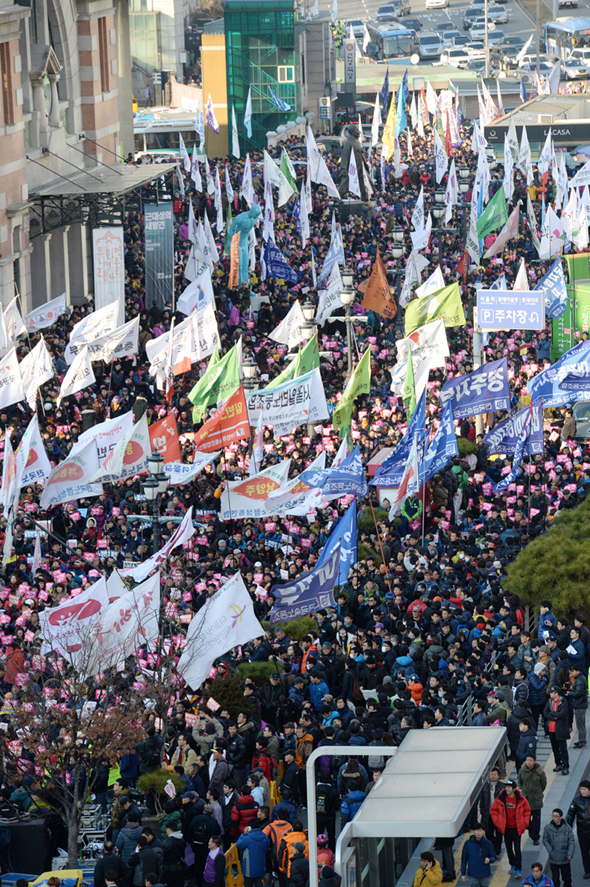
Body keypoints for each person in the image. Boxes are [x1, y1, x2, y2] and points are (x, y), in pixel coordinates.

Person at [490, 779, 531, 879]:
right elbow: (493, 810)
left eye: (509, 787)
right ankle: (512, 864)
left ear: (513, 789)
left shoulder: (521, 799)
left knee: (517, 848)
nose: (507, 789)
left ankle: (518, 868)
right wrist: (496, 822)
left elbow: (527, 811)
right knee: (508, 848)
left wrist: (525, 823)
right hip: (506, 828)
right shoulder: (500, 798)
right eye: (506, 787)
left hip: (517, 828)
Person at [518, 754, 547, 846]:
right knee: (525, 819)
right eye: (527, 760)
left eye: (530, 760)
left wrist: (537, 792)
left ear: (534, 761)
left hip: (536, 800)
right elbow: (520, 782)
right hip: (526, 800)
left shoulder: (539, 771)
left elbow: (544, 784)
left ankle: (535, 837)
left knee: (536, 820)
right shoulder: (522, 771)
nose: (528, 762)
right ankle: (531, 830)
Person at [542, 808, 575, 887]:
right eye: (553, 816)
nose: (554, 818)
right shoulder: (548, 828)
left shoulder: (567, 829)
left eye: (556, 816)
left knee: (567, 879)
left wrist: (570, 853)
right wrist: (550, 850)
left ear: (561, 817)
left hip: (565, 859)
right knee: (555, 879)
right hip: (554, 858)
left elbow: (571, 842)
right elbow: (545, 839)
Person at [566, 778, 590, 879]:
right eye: (581, 789)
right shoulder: (576, 800)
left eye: (584, 789)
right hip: (582, 831)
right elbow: (571, 815)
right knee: (584, 852)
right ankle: (587, 870)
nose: (582, 791)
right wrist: (568, 828)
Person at [543, 689, 571, 775]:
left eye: (552, 692)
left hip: (561, 729)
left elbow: (562, 714)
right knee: (555, 749)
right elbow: (545, 712)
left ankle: (566, 766)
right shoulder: (549, 701)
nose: (550, 694)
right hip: (551, 729)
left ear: (556, 693)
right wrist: (553, 717)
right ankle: (558, 764)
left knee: (563, 749)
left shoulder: (563, 701)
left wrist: (552, 713)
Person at [566, 665, 587, 749]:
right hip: (580, 704)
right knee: (580, 724)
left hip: (580, 705)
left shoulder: (580, 680)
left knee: (580, 725)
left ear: (575, 670)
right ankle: (581, 740)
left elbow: (578, 693)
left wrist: (569, 693)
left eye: (571, 672)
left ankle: (582, 742)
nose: (571, 675)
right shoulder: (580, 679)